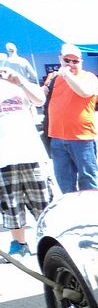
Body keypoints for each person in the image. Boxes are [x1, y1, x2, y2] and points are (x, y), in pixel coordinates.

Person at [0, 64, 53, 262]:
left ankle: (50, 241)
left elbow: (40, 99)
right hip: (4, 157)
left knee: (43, 202)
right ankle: (19, 244)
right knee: (11, 204)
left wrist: (20, 82)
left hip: (31, 153)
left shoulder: (19, 84)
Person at [45, 44, 98, 193]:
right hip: (57, 138)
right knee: (65, 183)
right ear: (60, 59)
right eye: (67, 60)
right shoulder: (54, 79)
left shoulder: (89, 77)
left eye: (75, 61)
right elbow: (39, 98)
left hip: (82, 138)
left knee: (88, 182)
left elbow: (84, 92)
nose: (71, 64)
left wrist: (67, 74)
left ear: (81, 62)